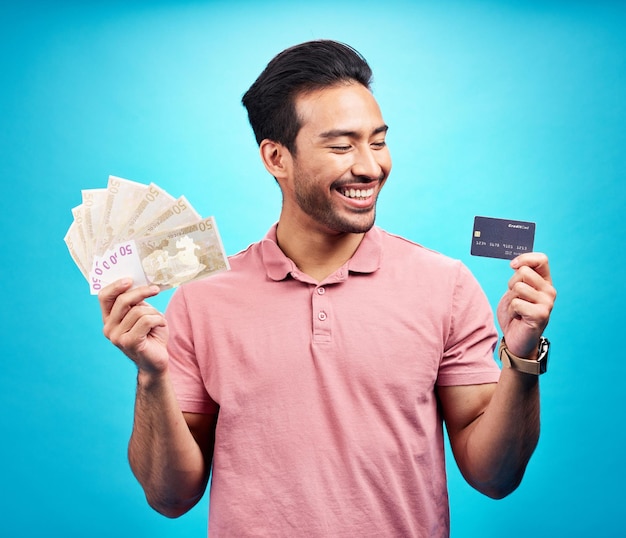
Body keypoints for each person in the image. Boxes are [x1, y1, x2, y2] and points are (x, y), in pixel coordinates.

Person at [99, 40, 556, 537]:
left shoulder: (445, 285)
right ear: (276, 157)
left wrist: (523, 358)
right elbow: (170, 497)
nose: (369, 167)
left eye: (377, 141)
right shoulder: (202, 297)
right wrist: (151, 377)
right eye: (341, 146)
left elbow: (495, 477)